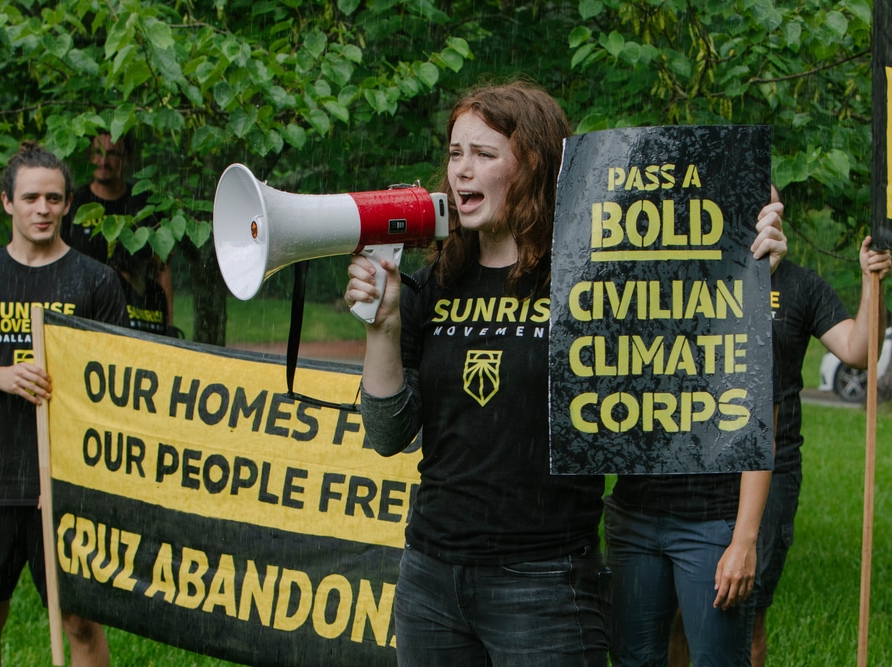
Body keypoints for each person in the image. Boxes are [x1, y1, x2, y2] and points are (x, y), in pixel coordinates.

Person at [344, 80, 786, 666]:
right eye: (455, 154)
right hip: (430, 579)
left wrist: (745, 266)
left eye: (484, 154)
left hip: (544, 585)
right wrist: (383, 328)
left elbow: (702, 353)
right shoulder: (433, 281)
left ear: (533, 166)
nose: (461, 172)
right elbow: (386, 435)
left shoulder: (597, 279)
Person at [667, 185, 891, 667]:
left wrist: (872, 283)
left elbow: (859, 351)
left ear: (778, 213)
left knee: (745, 615)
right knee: (682, 619)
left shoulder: (801, 285)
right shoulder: (694, 278)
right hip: (697, 464)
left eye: (765, 201)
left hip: (774, 466)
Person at [0, 140, 128, 666]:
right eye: (32, 198)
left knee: (81, 620)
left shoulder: (95, 281)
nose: (43, 209)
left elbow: (117, 385)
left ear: (67, 203)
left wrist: (74, 475)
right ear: (7, 203)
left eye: (55, 199)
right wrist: (2, 376)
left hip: (66, 479)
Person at [601, 189, 787, 666]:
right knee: (633, 660)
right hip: (633, 519)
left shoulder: (742, 303)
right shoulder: (629, 297)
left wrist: (745, 540)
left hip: (714, 523)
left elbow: (762, 426)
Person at [61, 131, 174, 335]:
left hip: (137, 318)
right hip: (84, 317)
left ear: (128, 158)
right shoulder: (74, 203)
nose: (103, 161)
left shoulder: (144, 204)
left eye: (113, 154)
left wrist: (169, 328)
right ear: (89, 154)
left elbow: (162, 269)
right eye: (98, 152)